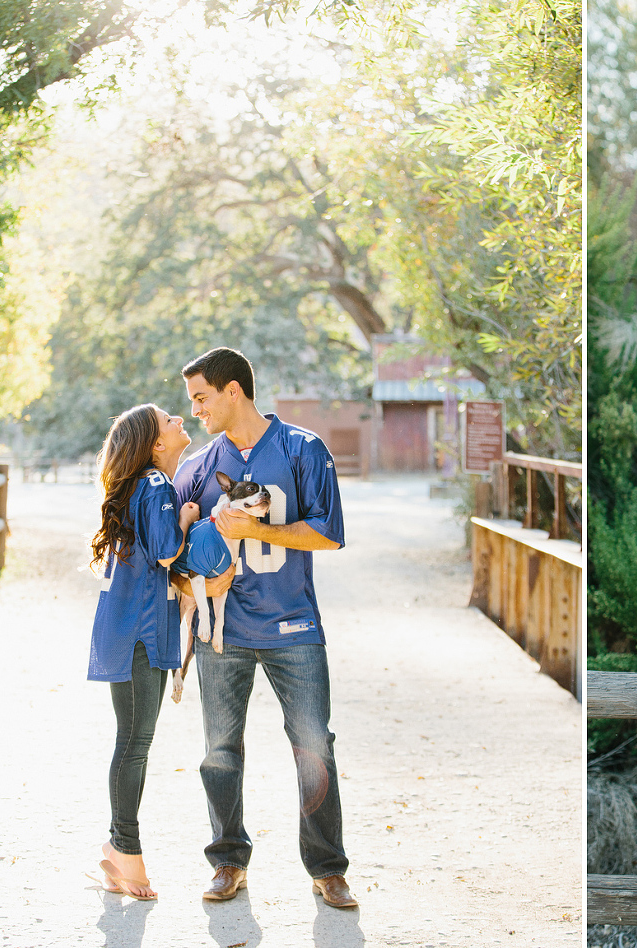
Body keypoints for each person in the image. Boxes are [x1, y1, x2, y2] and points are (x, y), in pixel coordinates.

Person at [170, 347, 356, 908]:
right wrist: (195, 581)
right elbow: (171, 558)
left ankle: (328, 869)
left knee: (314, 746)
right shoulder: (198, 468)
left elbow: (329, 534)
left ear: (233, 391)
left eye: (202, 397)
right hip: (220, 633)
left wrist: (251, 527)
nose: (197, 410)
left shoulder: (303, 449)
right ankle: (228, 861)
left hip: (293, 626)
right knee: (219, 751)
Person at [88, 404, 199, 900]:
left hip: (128, 630)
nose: (181, 421)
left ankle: (119, 850)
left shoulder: (142, 486)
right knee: (134, 743)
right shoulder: (155, 486)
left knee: (131, 741)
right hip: (139, 635)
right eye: (171, 420)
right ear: (156, 444)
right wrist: (190, 516)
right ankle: (124, 853)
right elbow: (164, 550)